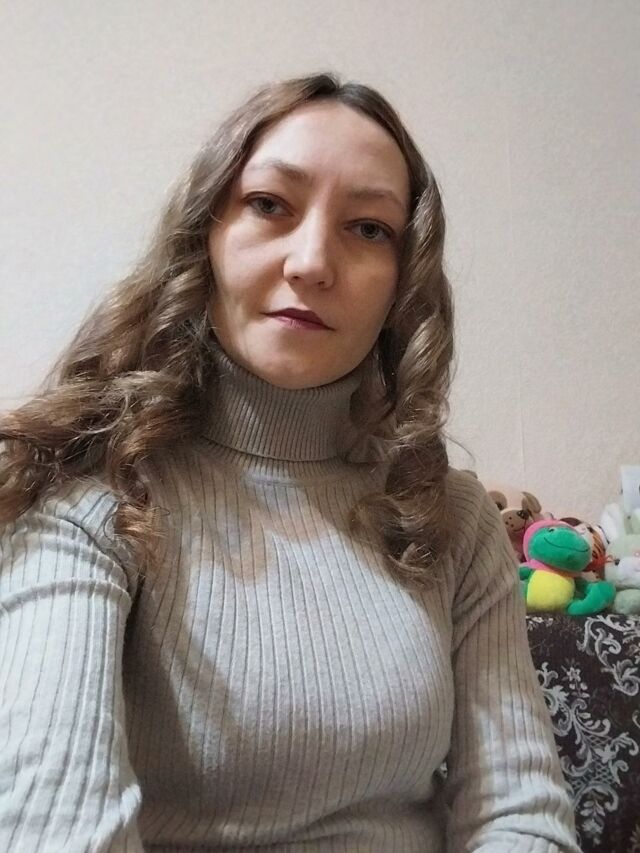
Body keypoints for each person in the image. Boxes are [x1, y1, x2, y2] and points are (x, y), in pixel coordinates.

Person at [0, 72, 580, 852]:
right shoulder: (88, 493)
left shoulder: (454, 519)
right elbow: (54, 828)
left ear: (403, 280)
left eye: (367, 227)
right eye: (270, 204)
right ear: (206, 234)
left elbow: (520, 813)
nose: (312, 262)